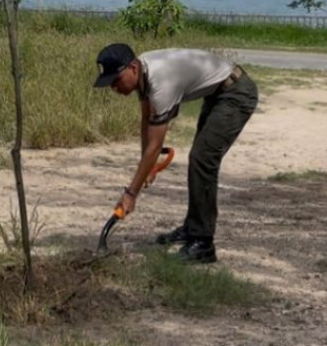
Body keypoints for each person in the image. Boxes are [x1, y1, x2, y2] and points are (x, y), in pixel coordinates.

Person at [93, 43, 258, 263]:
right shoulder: (143, 72)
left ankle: (203, 244)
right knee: (200, 158)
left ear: (132, 67)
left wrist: (131, 194)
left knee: (202, 159)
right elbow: (146, 120)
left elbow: (155, 145)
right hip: (218, 92)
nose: (114, 87)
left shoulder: (161, 82)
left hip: (236, 92)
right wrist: (148, 166)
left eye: (116, 80)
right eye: (109, 83)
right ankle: (193, 229)